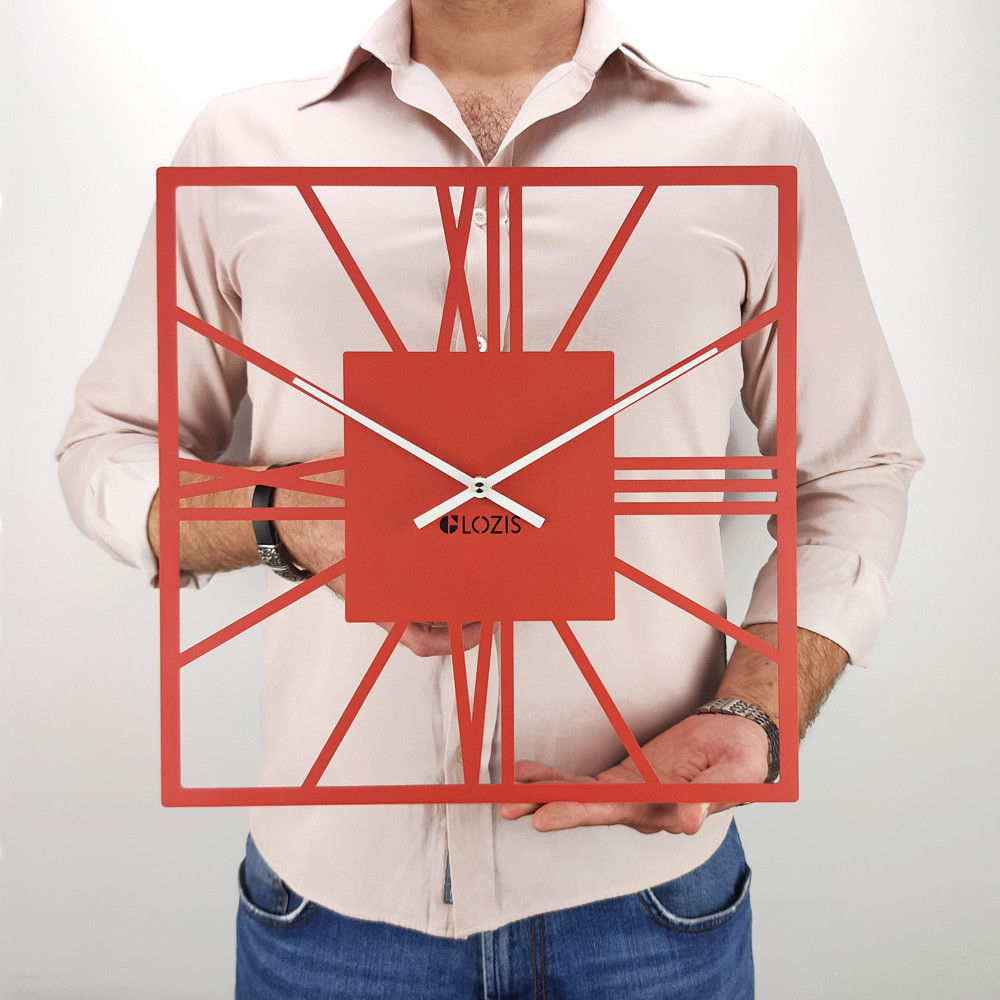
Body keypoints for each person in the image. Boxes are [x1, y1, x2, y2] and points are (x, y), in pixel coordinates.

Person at [56, 0, 922, 996]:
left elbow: (852, 470)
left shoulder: (746, 143)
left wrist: (758, 710)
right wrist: (280, 518)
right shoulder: (240, 145)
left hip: (648, 906)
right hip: (329, 907)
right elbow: (109, 450)